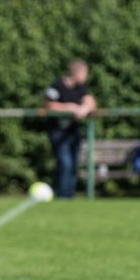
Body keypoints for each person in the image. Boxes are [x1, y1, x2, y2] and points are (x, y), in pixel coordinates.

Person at [42, 60, 98, 199]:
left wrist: (84, 108)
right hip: (58, 132)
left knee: (74, 165)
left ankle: (70, 196)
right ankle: (63, 196)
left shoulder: (81, 88)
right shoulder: (57, 86)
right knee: (65, 163)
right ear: (76, 73)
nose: (86, 76)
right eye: (85, 73)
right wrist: (69, 107)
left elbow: (91, 101)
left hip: (73, 132)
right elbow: (48, 105)